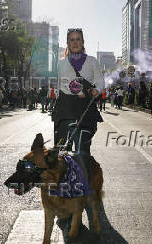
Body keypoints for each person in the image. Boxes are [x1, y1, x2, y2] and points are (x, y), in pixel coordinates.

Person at [52, 28, 104, 169]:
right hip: (64, 110)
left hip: (85, 110)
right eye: (72, 39)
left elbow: (100, 82)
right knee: (59, 152)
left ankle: (83, 184)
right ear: (67, 43)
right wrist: (76, 92)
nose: (75, 42)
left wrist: (96, 90)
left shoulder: (92, 61)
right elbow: (61, 84)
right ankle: (61, 186)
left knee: (83, 153)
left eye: (78, 39)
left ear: (83, 42)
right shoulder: (61, 63)